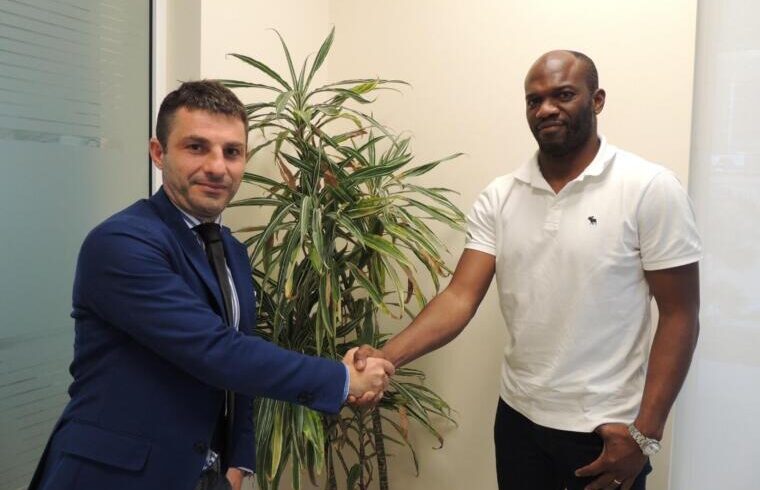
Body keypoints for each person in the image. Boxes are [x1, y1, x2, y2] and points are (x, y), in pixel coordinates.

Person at [353, 50, 701, 490]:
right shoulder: (501, 195)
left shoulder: (649, 188)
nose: (546, 108)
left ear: (597, 100)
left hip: (604, 430)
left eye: (563, 95)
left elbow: (680, 314)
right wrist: (385, 358)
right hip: (518, 419)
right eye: (534, 100)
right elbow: (459, 297)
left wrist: (645, 432)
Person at [28, 80, 393, 490]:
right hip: (113, 477)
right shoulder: (120, 243)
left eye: (232, 152)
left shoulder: (230, 250)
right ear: (158, 153)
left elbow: (239, 355)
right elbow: (216, 351)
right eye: (197, 147)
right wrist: (341, 380)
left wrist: (238, 463)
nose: (218, 167)